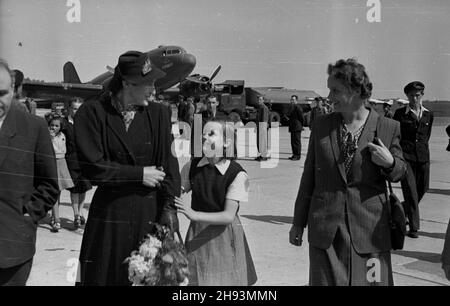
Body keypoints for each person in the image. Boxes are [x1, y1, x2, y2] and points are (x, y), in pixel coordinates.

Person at [289, 58, 406, 286]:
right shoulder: (322, 126)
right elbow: (309, 178)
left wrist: (390, 163)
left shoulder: (387, 127)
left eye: (335, 90)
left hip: (370, 233)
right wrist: (297, 222)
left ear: (356, 92)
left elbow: (401, 172)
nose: (330, 97)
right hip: (326, 231)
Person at [74, 51, 181, 286]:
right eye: (147, 83)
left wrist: (169, 209)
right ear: (126, 83)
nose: (153, 89)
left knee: (146, 279)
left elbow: (170, 168)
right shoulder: (92, 113)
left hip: (149, 216)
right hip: (109, 219)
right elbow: (94, 168)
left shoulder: (160, 114)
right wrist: (140, 174)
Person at [175, 120, 257, 286]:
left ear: (227, 142)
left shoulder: (237, 174)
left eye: (211, 133)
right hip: (197, 235)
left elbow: (228, 216)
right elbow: (177, 191)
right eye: (203, 133)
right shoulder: (192, 166)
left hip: (224, 236)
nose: (204, 136)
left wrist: (192, 214)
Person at [0, 59, 59, 285]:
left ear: (13, 91)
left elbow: (49, 184)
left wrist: (26, 216)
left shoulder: (34, 127)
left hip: (11, 250)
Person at [393, 81, 433, 238]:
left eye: (417, 95)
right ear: (407, 96)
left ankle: (403, 209)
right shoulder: (400, 114)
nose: (414, 98)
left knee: (423, 189)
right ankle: (414, 228)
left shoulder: (429, 114)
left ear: (422, 95)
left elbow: (426, 136)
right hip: (406, 157)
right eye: (411, 96)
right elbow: (396, 135)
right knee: (411, 191)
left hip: (423, 157)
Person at [64, 97, 92, 229]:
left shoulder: (86, 124)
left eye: (79, 108)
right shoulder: (64, 124)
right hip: (71, 161)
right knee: (74, 190)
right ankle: (76, 215)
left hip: (84, 161)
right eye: (74, 108)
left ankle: (80, 211)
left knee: (84, 188)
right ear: (70, 109)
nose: (77, 111)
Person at [47, 114, 74, 232]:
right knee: (54, 191)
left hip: (62, 162)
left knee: (59, 191)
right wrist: (51, 138)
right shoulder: (48, 136)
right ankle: (56, 218)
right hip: (53, 162)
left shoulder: (63, 135)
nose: (53, 127)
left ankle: (54, 215)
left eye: (56, 125)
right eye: (52, 125)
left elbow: (63, 149)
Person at [288, 95, 304, 161]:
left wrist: (300, 125)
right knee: (293, 142)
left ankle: (297, 155)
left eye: (293, 100)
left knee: (297, 142)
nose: (292, 101)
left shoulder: (298, 107)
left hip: (297, 127)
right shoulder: (292, 107)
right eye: (291, 99)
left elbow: (301, 118)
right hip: (292, 127)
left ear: (296, 100)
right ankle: (294, 154)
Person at [255, 95, 270, 161]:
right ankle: (261, 155)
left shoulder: (264, 108)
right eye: (258, 99)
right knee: (260, 142)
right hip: (259, 127)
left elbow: (264, 120)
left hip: (262, 127)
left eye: (260, 99)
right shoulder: (260, 107)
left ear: (263, 100)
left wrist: (263, 129)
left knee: (263, 141)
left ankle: (264, 156)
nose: (259, 101)